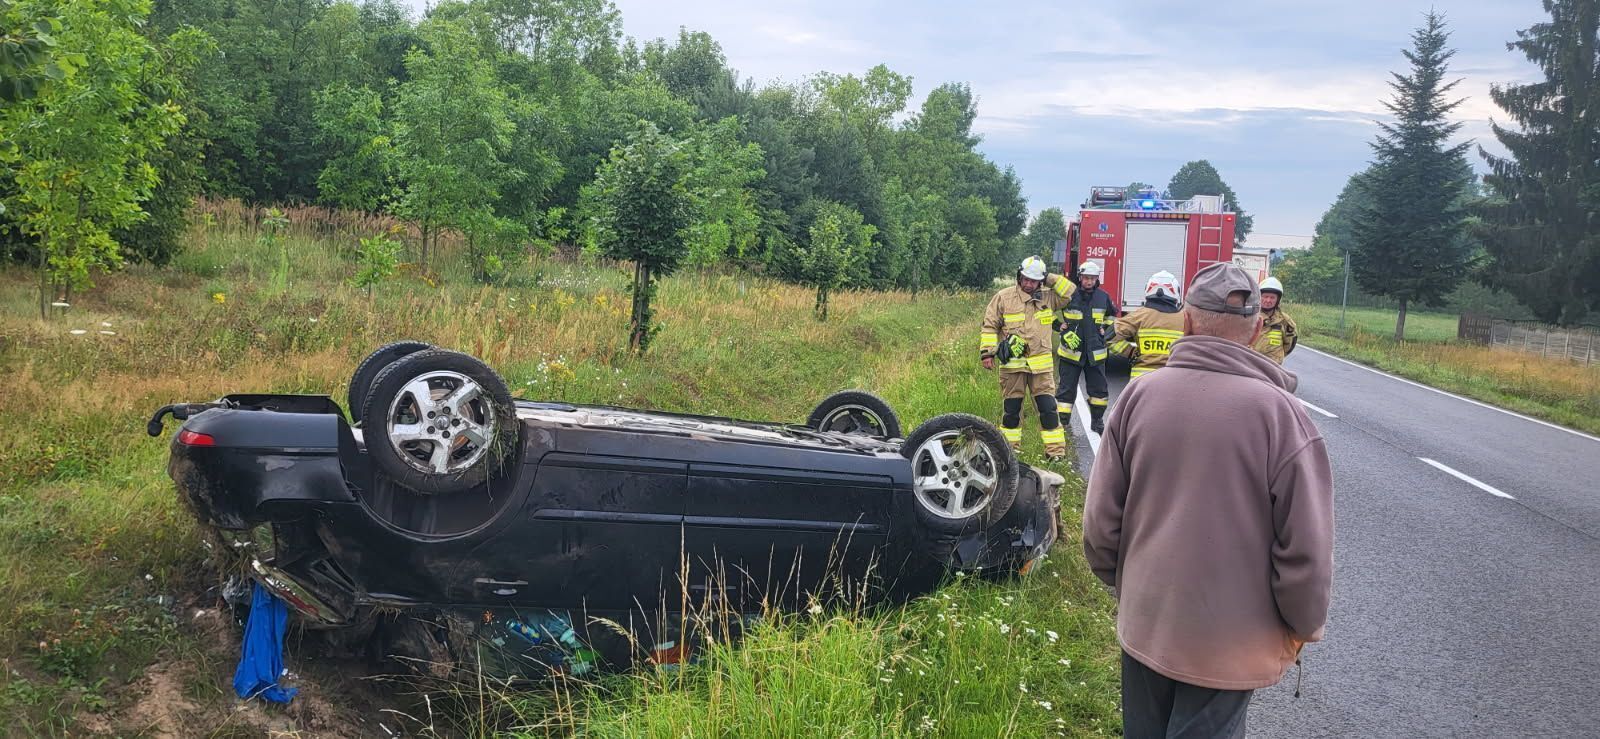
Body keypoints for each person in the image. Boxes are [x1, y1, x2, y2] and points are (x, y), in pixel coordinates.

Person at [1082, 262, 1334, 739]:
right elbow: (1305, 551)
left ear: (1189, 321)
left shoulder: (1137, 397)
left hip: (1146, 624)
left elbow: (1100, 525)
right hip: (1230, 644)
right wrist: (1302, 626)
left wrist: (1130, 587)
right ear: (1258, 329)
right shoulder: (1284, 417)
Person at [980, 255, 1074, 460]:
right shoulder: (1004, 297)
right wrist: (987, 353)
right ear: (1019, 276)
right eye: (1025, 279)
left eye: (1033, 280)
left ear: (1040, 281)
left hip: (1042, 369)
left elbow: (1069, 291)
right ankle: (1009, 455)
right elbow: (989, 325)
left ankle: (1055, 454)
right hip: (1012, 368)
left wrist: (1047, 277)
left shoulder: (1049, 297)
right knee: (1011, 413)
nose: (1028, 284)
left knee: (1049, 411)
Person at [1055, 261, 1117, 434]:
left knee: (1099, 391)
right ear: (1080, 277)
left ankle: (1097, 421)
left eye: (1092, 279)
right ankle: (1063, 425)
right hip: (1070, 353)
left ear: (1097, 279)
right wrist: (1057, 325)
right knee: (1065, 392)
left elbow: (1112, 316)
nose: (1089, 282)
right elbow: (1045, 308)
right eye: (1086, 278)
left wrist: (1106, 329)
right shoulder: (1069, 295)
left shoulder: (1103, 297)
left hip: (1095, 353)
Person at [1109, 271, 1186, 379]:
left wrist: (1131, 352)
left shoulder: (1139, 315)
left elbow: (1109, 336)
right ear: (1176, 291)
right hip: (1173, 380)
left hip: (1141, 381)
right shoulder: (1186, 320)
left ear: (1148, 289)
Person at [1252, 276, 1298, 364]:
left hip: (1272, 367)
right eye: (1265, 296)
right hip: (1250, 364)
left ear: (1278, 300)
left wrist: (1276, 357)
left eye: (1272, 297)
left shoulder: (1285, 321)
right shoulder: (1249, 316)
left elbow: (1289, 345)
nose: (1268, 300)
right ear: (1259, 297)